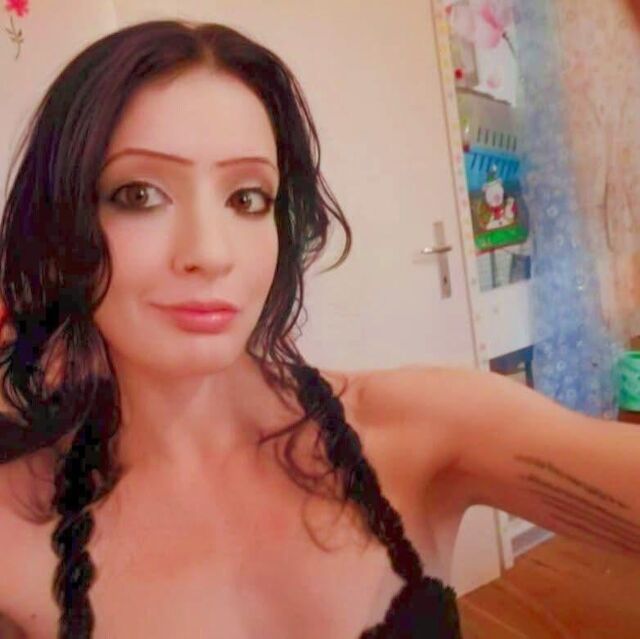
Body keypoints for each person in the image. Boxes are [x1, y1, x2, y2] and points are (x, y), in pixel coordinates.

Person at [0, 19, 637, 639]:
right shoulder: (13, 521)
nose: (210, 253)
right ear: (59, 222)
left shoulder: (418, 430)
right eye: (139, 195)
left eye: (247, 198)